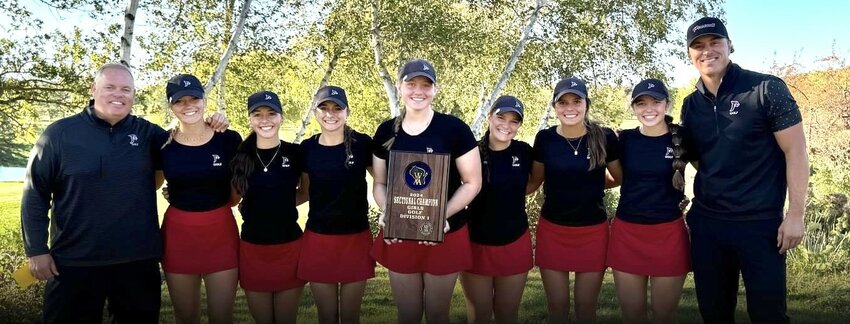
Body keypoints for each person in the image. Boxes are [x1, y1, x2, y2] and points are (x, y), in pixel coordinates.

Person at [20, 63, 227, 323]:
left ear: (133, 95)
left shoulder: (149, 134)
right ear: (94, 89)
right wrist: (36, 250)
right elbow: (35, 193)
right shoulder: (59, 135)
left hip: (137, 263)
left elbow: (189, 140)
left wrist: (212, 122)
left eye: (126, 89)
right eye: (110, 87)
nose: (118, 94)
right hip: (75, 262)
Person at [680, 17, 808, 323]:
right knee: (714, 314)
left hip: (760, 226)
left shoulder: (766, 89)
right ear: (689, 54)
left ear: (729, 46)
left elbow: (797, 152)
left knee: (768, 315)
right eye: (698, 45)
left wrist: (795, 215)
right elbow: (702, 160)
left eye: (714, 43)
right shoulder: (690, 105)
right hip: (708, 226)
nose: (706, 51)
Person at [371, 59, 482, 323]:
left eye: (426, 84)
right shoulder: (387, 131)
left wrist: (440, 215)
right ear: (400, 87)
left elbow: (472, 183)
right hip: (401, 235)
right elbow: (379, 184)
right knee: (407, 314)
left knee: (437, 314)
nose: (418, 90)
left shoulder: (454, 129)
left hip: (445, 232)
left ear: (435, 89)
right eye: (411, 84)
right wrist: (388, 211)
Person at [527, 77, 622, 323]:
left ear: (586, 104)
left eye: (576, 101)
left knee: (585, 308)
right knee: (557, 308)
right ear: (555, 107)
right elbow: (535, 181)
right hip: (553, 230)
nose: (570, 107)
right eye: (563, 102)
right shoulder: (545, 139)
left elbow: (618, 177)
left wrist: (587, 184)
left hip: (593, 232)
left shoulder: (604, 137)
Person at [154, 74, 242, 324]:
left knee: (222, 316)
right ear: (170, 106)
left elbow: (237, 189)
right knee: (186, 316)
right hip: (179, 235)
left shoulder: (228, 139)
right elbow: (153, 184)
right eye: (180, 101)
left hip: (220, 232)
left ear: (204, 100)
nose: (188, 105)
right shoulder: (162, 144)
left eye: (194, 98)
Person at [607, 79, 690, 323]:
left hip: (669, 234)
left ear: (667, 104)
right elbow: (608, 176)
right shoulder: (624, 140)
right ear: (633, 108)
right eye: (641, 103)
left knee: (664, 315)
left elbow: (712, 171)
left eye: (656, 101)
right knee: (633, 315)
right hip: (627, 234)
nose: (649, 108)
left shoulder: (684, 139)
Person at [297, 85, 375, 323]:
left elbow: (383, 184)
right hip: (318, 239)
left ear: (347, 112)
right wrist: (266, 205)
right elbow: (305, 192)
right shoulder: (307, 149)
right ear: (315, 112)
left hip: (356, 238)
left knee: (351, 316)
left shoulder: (362, 144)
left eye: (337, 108)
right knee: (327, 316)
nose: (330, 113)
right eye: (324, 108)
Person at [230, 91, 306, 324]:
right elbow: (232, 199)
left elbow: (305, 192)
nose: (265, 119)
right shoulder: (240, 156)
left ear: (281, 117)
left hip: (289, 247)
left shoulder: (295, 153)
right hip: (253, 248)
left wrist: (277, 203)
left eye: (271, 113)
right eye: (257, 114)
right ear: (250, 119)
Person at [461, 95, 533, 324]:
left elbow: (533, 182)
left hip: (515, 241)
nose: (507, 125)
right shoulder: (470, 152)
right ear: (490, 116)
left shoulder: (524, 152)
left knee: (507, 313)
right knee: (479, 314)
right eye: (501, 117)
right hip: (475, 243)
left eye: (514, 121)